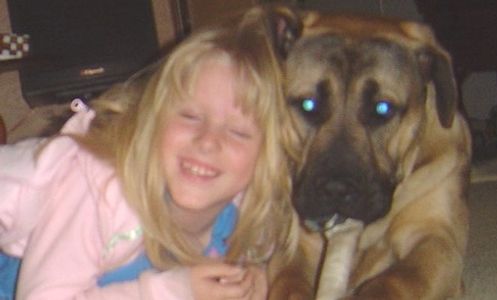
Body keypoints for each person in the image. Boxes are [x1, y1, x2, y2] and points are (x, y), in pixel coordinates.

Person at [0, 14, 302, 299]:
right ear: (152, 119)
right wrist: (170, 291)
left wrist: (255, 277)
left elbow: (263, 253)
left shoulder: (248, 207)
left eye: (238, 132)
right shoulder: (100, 189)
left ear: (267, 160)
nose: (208, 141)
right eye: (191, 116)